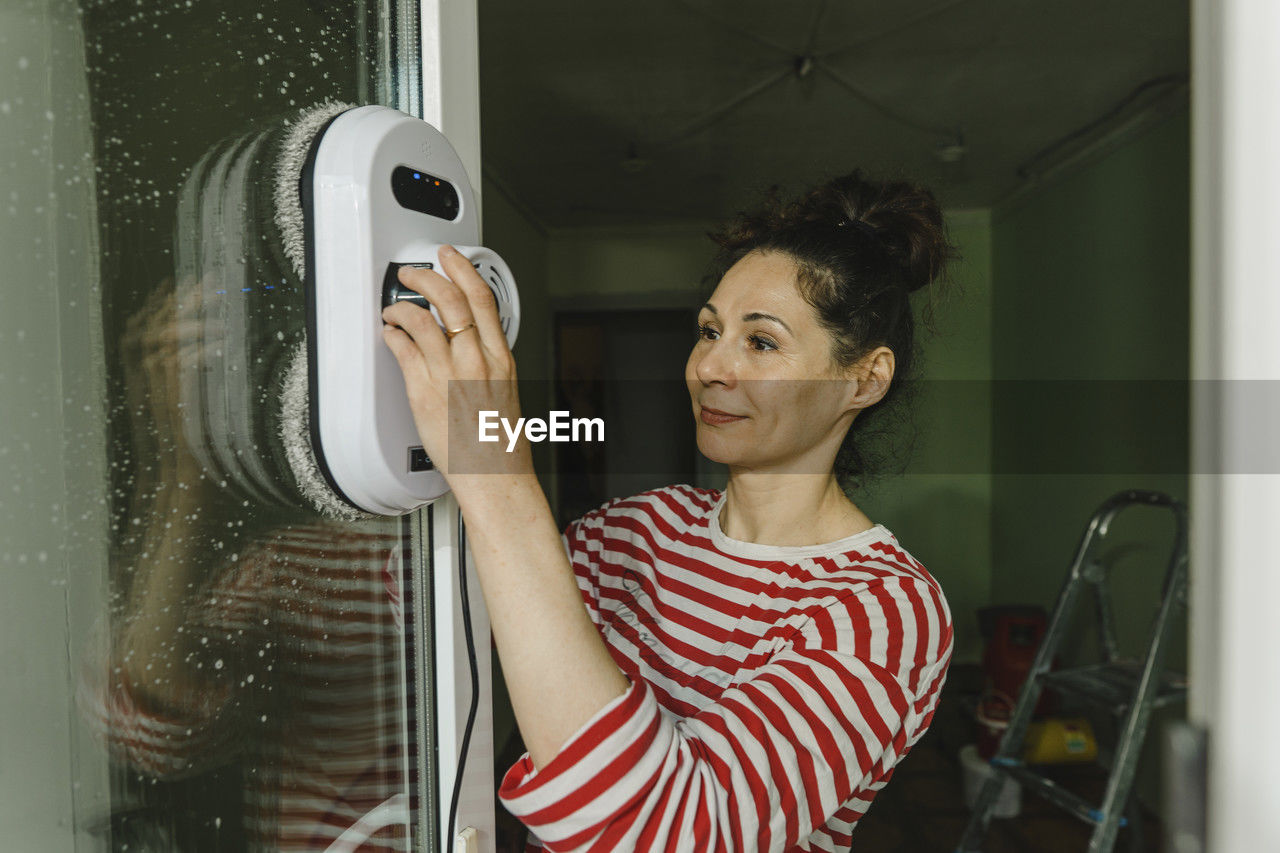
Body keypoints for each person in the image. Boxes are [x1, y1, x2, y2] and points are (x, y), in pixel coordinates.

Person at [380, 170, 957, 852]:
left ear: (864, 377)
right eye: (709, 330)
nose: (711, 365)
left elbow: (675, 833)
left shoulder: (885, 610)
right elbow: (438, 604)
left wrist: (497, 477)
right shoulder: (644, 526)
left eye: (762, 342)